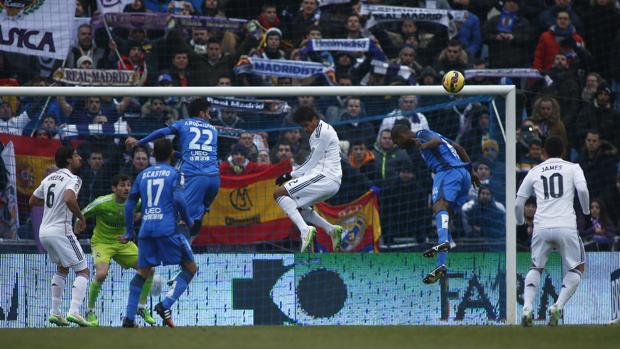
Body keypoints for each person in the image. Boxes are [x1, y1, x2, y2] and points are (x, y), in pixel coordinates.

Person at [120, 139, 195, 328]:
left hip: (146, 230)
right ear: (171, 154)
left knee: (143, 272)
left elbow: (129, 204)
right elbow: (179, 198)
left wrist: (129, 231)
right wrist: (189, 219)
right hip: (168, 229)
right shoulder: (175, 174)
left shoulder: (142, 175)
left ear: (153, 156)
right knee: (190, 268)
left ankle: (129, 318)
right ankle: (165, 304)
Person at [516, 136, 590, 327]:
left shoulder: (534, 170)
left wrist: (520, 223)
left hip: (541, 227)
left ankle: (527, 308)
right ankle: (557, 305)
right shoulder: (573, 167)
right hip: (566, 226)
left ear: (543, 152)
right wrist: (587, 214)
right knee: (577, 268)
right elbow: (582, 190)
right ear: (563, 151)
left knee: (536, 267)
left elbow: (518, 201)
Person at [391, 124, 479, 284]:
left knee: (438, 207)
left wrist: (423, 145)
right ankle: (441, 263)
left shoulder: (421, 133)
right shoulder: (438, 135)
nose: (398, 145)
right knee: (446, 216)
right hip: (464, 174)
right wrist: (471, 171)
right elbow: (459, 147)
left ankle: (444, 242)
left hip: (448, 171)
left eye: (396, 141)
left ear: (402, 135)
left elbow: (436, 141)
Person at [126, 98, 220, 240]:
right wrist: (175, 153)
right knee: (197, 213)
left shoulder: (183, 124)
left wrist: (140, 141)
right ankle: (198, 217)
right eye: (208, 113)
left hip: (194, 176)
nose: (210, 116)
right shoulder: (213, 129)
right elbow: (196, 153)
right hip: (215, 178)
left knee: (183, 218)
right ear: (201, 113)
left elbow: (161, 132)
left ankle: (184, 257)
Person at [28, 146, 92, 327]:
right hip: (61, 231)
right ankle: (74, 311)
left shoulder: (49, 178)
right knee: (83, 271)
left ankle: (55, 313)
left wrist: (52, 204)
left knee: (62, 268)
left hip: (44, 232)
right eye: (76, 155)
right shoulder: (74, 179)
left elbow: (32, 201)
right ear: (69, 160)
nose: (79, 157)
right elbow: (69, 198)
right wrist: (81, 217)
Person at [80, 174, 155, 327]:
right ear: (114, 189)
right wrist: (78, 222)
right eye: (122, 185)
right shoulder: (102, 203)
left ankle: (141, 307)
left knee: (150, 269)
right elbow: (83, 213)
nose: (126, 188)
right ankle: (89, 311)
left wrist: (141, 214)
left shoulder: (136, 202)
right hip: (102, 243)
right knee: (101, 274)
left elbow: (149, 208)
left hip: (123, 243)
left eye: (128, 185)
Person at [273, 106, 344, 252]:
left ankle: (305, 230)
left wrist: (290, 175)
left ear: (315, 119)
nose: (305, 129)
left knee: (279, 194)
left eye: (306, 125)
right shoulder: (324, 129)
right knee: (299, 207)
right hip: (330, 180)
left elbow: (312, 160)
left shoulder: (320, 133)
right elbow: (316, 162)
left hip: (324, 178)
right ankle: (331, 230)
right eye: (302, 126)